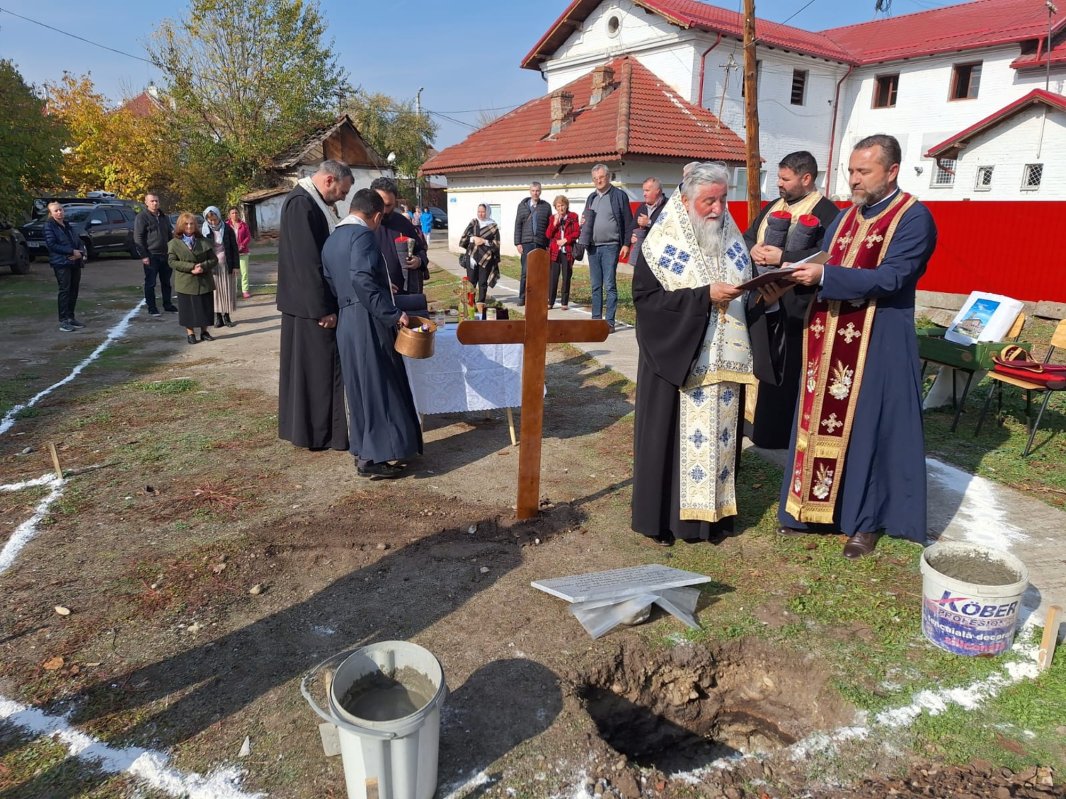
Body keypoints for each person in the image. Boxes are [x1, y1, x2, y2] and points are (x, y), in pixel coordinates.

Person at [778, 134, 937, 559]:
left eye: (863, 171)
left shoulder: (913, 217)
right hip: (830, 337)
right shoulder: (847, 216)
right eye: (850, 170)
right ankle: (812, 511)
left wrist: (825, 277)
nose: (854, 179)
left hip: (877, 339)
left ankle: (865, 522)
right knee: (820, 422)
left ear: (892, 171)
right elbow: (826, 258)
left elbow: (893, 277)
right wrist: (791, 266)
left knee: (869, 429)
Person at [631, 162, 755, 545]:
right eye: (708, 201)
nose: (718, 209)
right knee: (670, 443)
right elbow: (646, 302)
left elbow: (747, 293)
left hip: (724, 367)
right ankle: (666, 523)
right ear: (685, 201)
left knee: (720, 442)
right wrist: (703, 297)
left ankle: (713, 520)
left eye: (723, 199)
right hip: (678, 363)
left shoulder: (733, 241)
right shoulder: (659, 244)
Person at [321, 188, 422, 479]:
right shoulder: (363, 235)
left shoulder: (333, 239)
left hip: (347, 319)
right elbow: (361, 278)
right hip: (367, 319)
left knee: (360, 389)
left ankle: (364, 450)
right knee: (379, 386)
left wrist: (380, 288)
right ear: (376, 216)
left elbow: (334, 280)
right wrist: (392, 312)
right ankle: (374, 456)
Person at [744, 151, 840, 449]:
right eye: (779, 177)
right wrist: (753, 248)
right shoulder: (774, 206)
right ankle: (751, 426)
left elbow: (829, 255)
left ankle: (776, 435)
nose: (779, 183)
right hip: (761, 301)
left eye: (785, 179)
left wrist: (783, 257)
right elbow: (748, 236)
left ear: (806, 178)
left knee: (784, 371)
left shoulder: (827, 213)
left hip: (796, 309)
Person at [276, 159, 354, 452]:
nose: (342, 198)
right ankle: (317, 433)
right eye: (342, 191)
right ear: (329, 180)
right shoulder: (302, 204)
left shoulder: (311, 201)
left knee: (314, 371)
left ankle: (317, 431)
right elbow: (307, 263)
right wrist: (323, 308)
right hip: (310, 308)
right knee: (317, 372)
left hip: (308, 305)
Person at [582, 165, 634, 332]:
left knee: (609, 285)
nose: (598, 180)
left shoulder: (619, 195)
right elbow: (586, 219)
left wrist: (626, 244)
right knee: (595, 286)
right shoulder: (591, 197)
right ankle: (596, 320)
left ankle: (609, 322)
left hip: (611, 246)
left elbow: (628, 221)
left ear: (608, 177)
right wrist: (583, 222)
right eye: (595, 178)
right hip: (593, 247)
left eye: (601, 177)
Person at [370, 177, 429, 296]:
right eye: (380, 204)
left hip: (403, 293)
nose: (384, 210)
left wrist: (418, 261)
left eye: (388, 205)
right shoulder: (363, 225)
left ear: (395, 201)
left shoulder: (404, 223)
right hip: (375, 294)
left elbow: (421, 250)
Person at [168, 212, 218, 345]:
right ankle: (190, 334)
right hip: (185, 281)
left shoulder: (204, 241)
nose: (189, 226)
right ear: (181, 225)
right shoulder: (174, 243)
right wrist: (191, 267)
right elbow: (172, 262)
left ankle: (204, 332)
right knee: (188, 310)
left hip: (204, 280)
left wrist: (203, 266)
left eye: (192, 224)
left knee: (204, 307)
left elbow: (214, 259)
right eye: (186, 224)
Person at [43, 202, 85, 333]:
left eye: (60, 210)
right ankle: (63, 320)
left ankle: (71, 317)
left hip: (75, 262)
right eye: (56, 211)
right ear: (51, 213)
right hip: (61, 263)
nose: (59, 212)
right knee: (64, 290)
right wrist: (71, 251)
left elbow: (78, 241)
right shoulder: (49, 226)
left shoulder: (67, 225)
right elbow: (52, 245)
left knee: (74, 290)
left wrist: (80, 252)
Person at [134, 193, 176, 317]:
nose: (155, 203)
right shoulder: (142, 217)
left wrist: (172, 251)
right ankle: (152, 307)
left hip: (165, 254)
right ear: (146, 202)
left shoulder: (164, 217)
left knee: (166, 282)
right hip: (151, 255)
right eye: (152, 201)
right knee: (151, 283)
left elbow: (170, 234)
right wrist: (144, 255)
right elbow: (138, 237)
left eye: (156, 201)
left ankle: (167, 304)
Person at [513, 181, 551, 306]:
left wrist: (548, 244)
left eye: (537, 191)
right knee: (525, 271)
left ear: (541, 191)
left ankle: (537, 297)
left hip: (541, 243)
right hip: (526, 243)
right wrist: (518, 243)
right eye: (533, 191)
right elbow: (518, 225)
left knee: (539, 272)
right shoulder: (522, 206)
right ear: (530, 191)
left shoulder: (546, 206)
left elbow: (549, 227)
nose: (535, 193)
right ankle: (522, 297)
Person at [202, 206, 240, 328]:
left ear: (219, 217)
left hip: (226, 265)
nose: (213, 222)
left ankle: (226, 316)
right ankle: (218, 317)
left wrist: (236, 266)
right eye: (210, 220)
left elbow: (234, 248)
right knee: (215, 292)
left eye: (215, 219)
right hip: (212, 267)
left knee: (227, 290)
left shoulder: (227, 228)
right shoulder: (204, 231)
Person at [459, 203, 500, 304]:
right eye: (479, 212)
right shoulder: (473, 223)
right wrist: (473, 238)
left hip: (486, 258)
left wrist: (484, 241)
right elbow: (464, 237)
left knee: (482, 282)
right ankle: (470, 303)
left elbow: (496, 243)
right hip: (472, 256)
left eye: (483, 212)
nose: (481, 214)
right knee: (471, 281)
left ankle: (481, 303)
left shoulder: (493, 226)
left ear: (488, 212)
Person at [545, 195, 579, 310]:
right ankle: (550, 301)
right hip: (555, 251)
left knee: (566, 276)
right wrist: (555, 223)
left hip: (567, 250)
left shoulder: (573, 216)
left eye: (563, 205)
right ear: (555, 207)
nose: (561, 208)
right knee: (553, 277)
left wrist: (566, 240)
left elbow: (577, 232)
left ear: (566, 205)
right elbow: (548, 235)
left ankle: (564, 302)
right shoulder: (552, 218)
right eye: (558, 206)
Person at [630, 177, 667, 253]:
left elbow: (670, 230)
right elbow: (632, 227)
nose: (644, 194)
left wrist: (649, 223)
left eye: (647, 190)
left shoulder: (668, 206)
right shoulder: (642, 207)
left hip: (661, 251)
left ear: (657, 191)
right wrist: (632, 237)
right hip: (643, 252)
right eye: (643, 191)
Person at [227, 206, 252, 299]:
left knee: (244, 273)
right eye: (232, 213)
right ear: (229, 215)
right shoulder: (226, 225)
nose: (235, 214)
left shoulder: (243, 225)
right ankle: (234, 291)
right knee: (232, 273)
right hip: (231, 253)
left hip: (243, 252)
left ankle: (245, 291)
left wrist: (242, 245)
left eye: (236, 213)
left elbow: (248, 237)